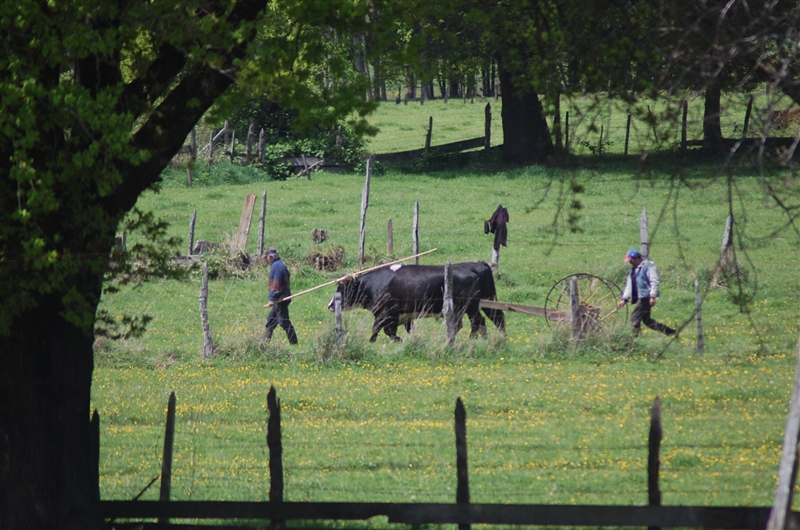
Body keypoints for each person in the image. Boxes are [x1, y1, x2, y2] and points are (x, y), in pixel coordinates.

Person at [616, 249, 676, 336]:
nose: (630, 263)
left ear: (636, 258)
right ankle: (670, 332)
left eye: (631, 260)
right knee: (647, 321)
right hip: (641, 296)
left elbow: (654, 281)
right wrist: (624, 299)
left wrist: (652, 296)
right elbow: (629, 286)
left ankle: (635, 337)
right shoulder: (633, 270)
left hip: (646, 297)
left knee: (635, 317)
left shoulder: (648, 266)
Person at [263, 248, 298, 344]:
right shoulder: (280, 264)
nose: (266, 260)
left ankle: (294, 343)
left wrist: (272, 299)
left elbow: (276, 283)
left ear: (270, 257)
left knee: (284, 322)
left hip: (280, 299)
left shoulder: (276, 266)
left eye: (266, 258)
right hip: (281, 297)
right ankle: (264, 343)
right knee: (271, 321)